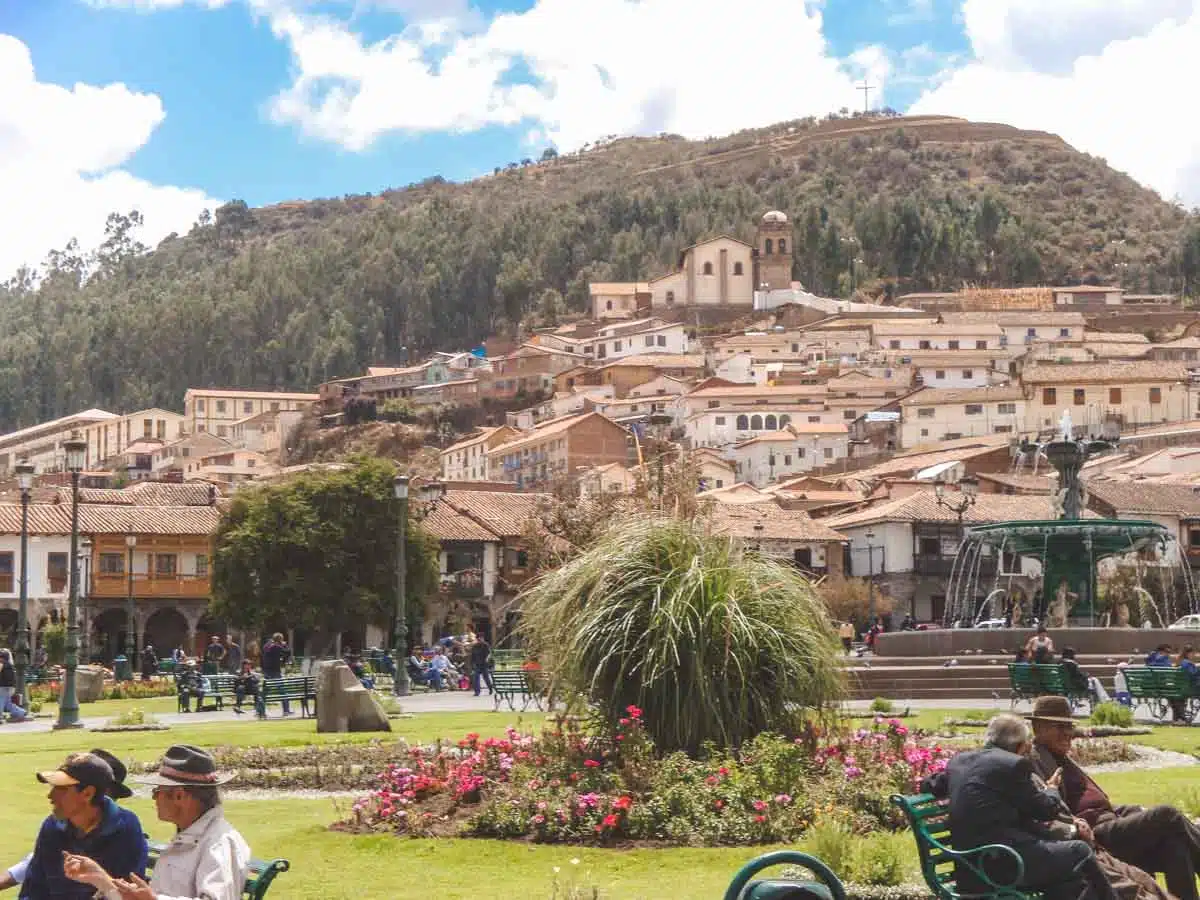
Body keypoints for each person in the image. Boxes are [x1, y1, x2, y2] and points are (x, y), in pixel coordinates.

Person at [921, 713, 1115, 900]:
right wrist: (1052, 789)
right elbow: (1046, 810)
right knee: (1080, 851)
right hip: (1005, 864)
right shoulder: (1013, 765)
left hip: (970, 869)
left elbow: (930, 784)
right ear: (1020, 746)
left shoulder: (960, 761)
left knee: (1067, 877)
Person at [1029, 695, 1200, 900]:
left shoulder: (1062, 758)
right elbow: (1048, 809)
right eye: (1059, 727)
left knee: (1174, 844)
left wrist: (1131, 810)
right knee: (1167, 814)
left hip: (1113, 823)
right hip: (1095, 834)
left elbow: (1097, 802)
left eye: (1070, 726)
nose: (1068, 733)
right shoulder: (1035, 761)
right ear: (1038, 728)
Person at [64, 744, 250, 900]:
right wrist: (100, 878)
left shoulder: (219, 844)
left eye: (157, 792)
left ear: (178, 795)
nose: (154, 799)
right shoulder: (192, 836)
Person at [0, 749, 135, 894]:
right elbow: (35, 884)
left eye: (61, 788)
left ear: (88, 793)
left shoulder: (126, 829)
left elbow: (127, 893)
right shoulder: (53, 825)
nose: (50, 795)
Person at [261, 633, 292, 716]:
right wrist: (285, 645)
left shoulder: (268, 646)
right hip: (275, 672)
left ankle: (260, 711)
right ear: (280, 640)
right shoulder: (277, 647)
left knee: (265, 692)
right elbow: (287, 653)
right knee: (283, 692)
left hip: (267, 671)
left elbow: (264, 649)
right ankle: (286, 710)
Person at [0, 649, 27, 722]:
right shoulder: (9, 664)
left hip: (4, 686)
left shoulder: (2, 663)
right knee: (7, 703)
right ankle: (21, 712)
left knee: (1, 699)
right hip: (10, 686)